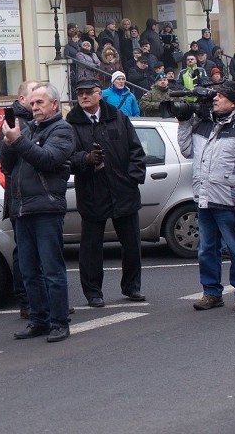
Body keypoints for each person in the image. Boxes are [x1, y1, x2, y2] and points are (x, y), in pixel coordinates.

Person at [177, 81, 235, 311]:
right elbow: (186, 150)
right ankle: (211, 293)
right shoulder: (203, 123)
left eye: (221, 96)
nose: (215, 98)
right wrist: (184, 121)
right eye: (214, 95)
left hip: (230, 201)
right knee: (206, 248)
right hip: (204, 198)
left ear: (234, 102)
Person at [1, 83, 74, 343]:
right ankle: (39, 320)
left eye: (40, 103)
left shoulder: (63, 130)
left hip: (46, 208)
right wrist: (8, 142)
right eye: (32, 104)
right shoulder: (28, 129)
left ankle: (59, 322)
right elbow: (7, 167)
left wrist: (18, 141)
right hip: (22, 207)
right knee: (29, 270)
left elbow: (48, 160)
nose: (35, 108)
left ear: (54, 104)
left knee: (52, 270)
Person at [67, 78, 147, 307]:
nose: (84, 96)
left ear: (99, 94)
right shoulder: (71, 124)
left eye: (89, 92)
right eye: (80, 93)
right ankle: (93, 293)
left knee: (131, 244)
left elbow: (136, 151)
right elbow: (67, 158)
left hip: (123, 190)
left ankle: (132, 287)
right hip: (92, 193)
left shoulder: (117, 117)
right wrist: (86, 159)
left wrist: (133, 179)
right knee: (91, 248)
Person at [0, 81, 39, 320]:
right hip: (20, 197)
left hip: (37, 196)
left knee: (43, 253)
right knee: (24, 252)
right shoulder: (13, 122)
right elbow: (8, 164)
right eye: (34, 95)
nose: (38, 99)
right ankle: (26, 301)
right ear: (22, 99)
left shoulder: (39, 120)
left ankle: (43, 300)